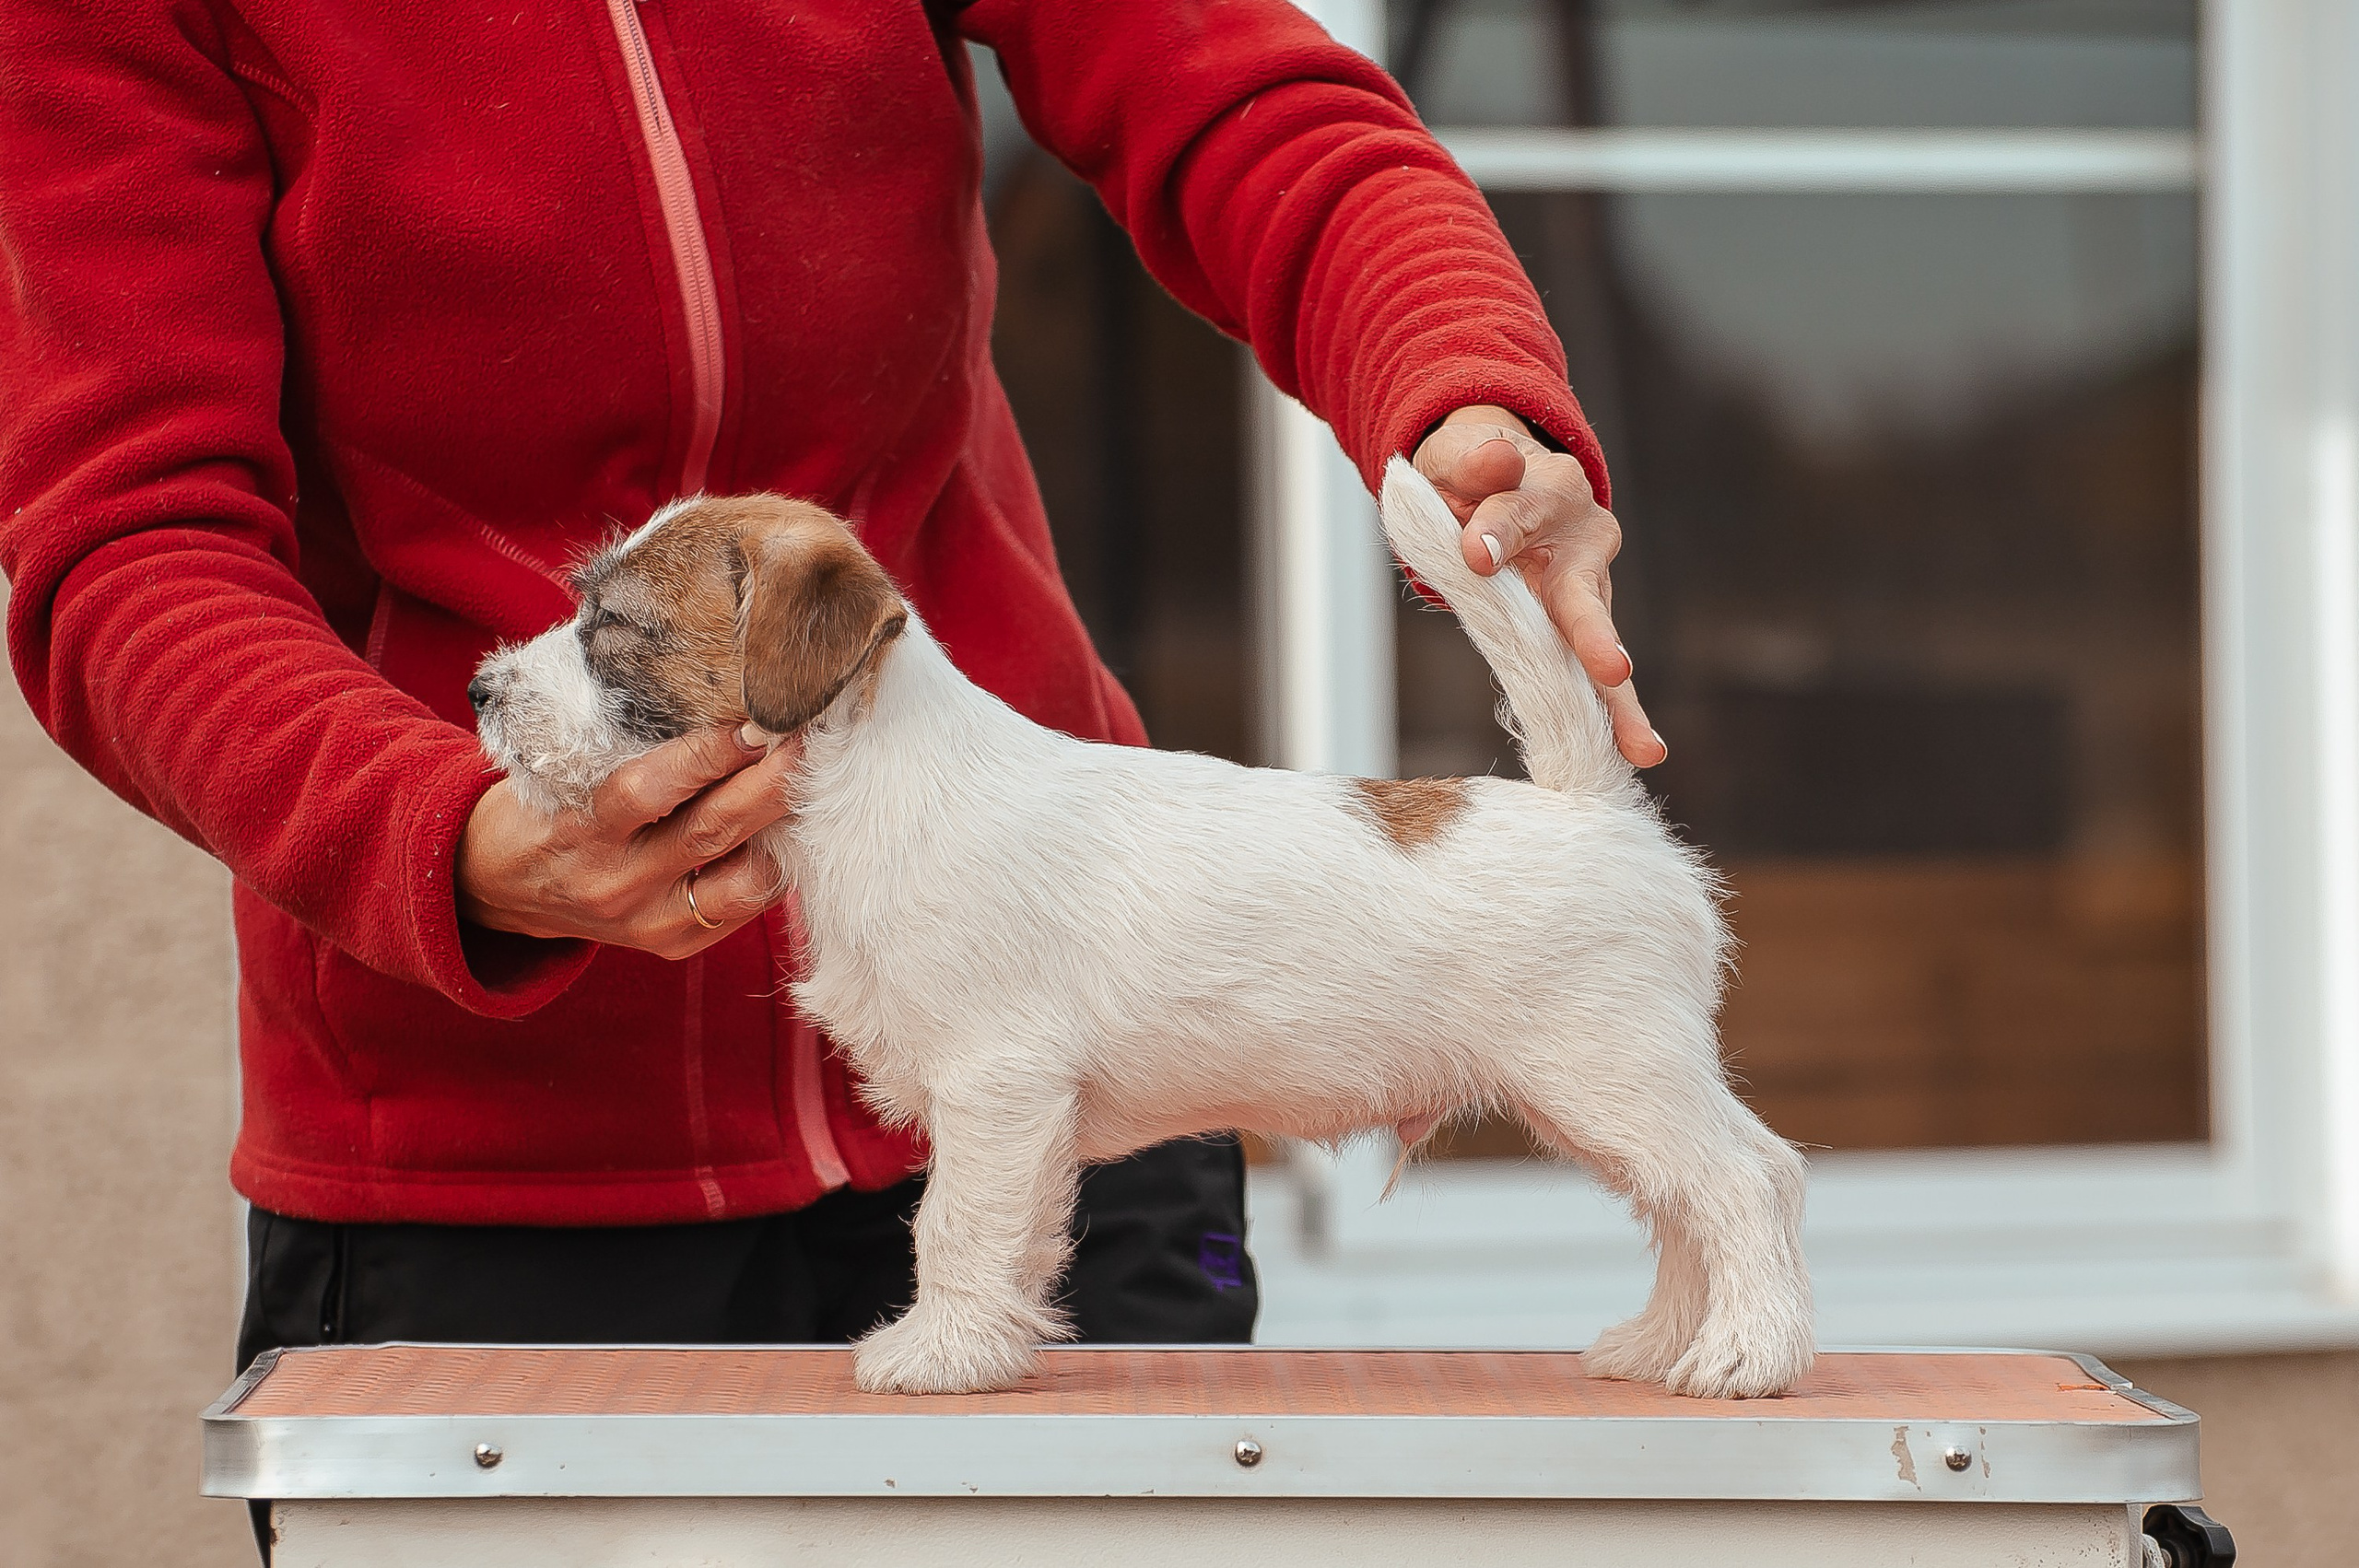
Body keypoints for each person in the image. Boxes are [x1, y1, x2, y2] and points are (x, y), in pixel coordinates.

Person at [0, 0, 1660, 1547]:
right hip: (498, 1170)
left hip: (1082, 1056)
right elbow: (128, 540)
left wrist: (1461, 391)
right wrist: (436, 834)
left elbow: (1234, 92)